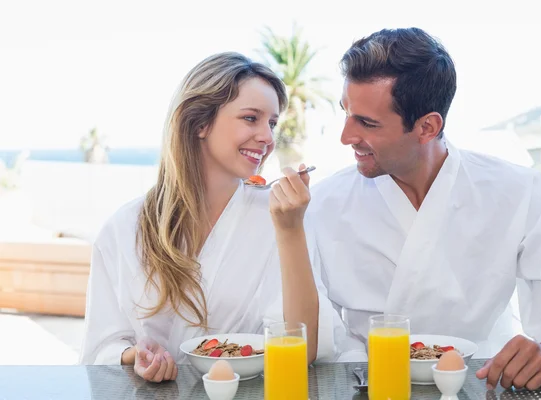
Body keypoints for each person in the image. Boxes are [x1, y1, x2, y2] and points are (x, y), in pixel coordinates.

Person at [308, 27, 541, 391]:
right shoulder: (320, 203)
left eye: (366, 122)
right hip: (363, 385)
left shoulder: (519, 191)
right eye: (346, 113)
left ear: (427, 126)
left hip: (481, 382)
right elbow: (307, 330)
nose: (346, 136)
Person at [79, 52, 344, 382]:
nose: (267, 137)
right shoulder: (125, 227)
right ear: (200, 122)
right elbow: (100, 347)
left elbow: (303, 348)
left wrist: (290, 231)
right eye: (251, 118)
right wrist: (138, 356)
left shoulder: (280, 217)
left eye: (272, 123)